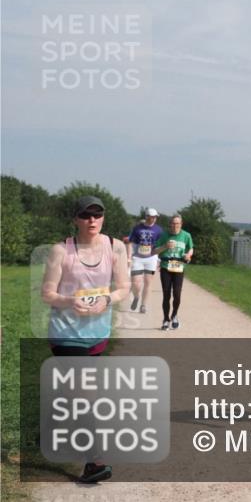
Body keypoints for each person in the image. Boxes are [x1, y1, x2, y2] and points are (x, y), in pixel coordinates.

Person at [40, 195, 130, 483]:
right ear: (75, 219)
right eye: (85, 215)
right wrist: (69, 302)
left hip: (96, 333)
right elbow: (47, 294)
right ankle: (94, 462)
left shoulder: (116, 247)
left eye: (97, 215)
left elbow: (124, 287)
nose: (92, 220)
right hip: (65, 333)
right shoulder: (60, 251)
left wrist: (107, 299)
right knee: (84, 397)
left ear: (103, 217)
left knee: (78, 394)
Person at [154, 214, 194, 331]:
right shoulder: (164, 235)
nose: (175, 226)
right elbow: (155, 251)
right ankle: (166, 319)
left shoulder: (186, 235)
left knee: (177, 294)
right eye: (173, 223)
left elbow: (190, 248)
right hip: (166, 267)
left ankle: (174, 315)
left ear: (181, 224)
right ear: (170, 224)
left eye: (177, 223)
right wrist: (165, 246)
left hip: (179, 267)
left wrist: (188, 255)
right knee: (166, 295)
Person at [125, 208, 162, 314]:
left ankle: (143, 305)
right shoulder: (137, 228)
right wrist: (129, 257)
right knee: (136, 283)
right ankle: (136, 296)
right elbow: (130, 242)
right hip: (138, 258)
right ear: (147, 217)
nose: (154, 219)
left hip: (151, 258)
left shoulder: (159, 230)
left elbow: (160, 245)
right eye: (152, 217)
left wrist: (158, 259)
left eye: (155, 217)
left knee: (148, 282)